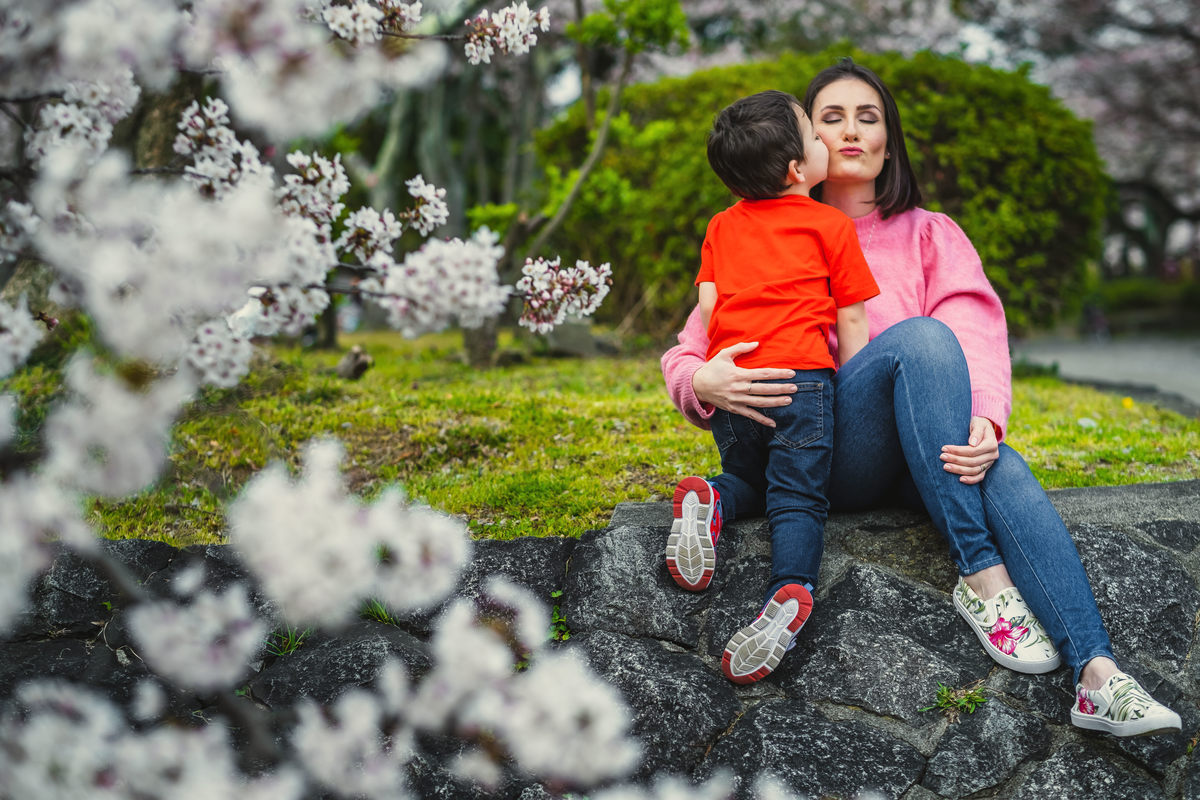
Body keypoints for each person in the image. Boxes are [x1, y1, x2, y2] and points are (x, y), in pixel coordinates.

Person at [661, 58, 1181, 736]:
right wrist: (700, 381)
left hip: (922, 452)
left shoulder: (931, 234)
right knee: (921, 340)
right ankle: (981, 575)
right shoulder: (760, 231)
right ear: (799, 148)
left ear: (889, 143)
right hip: (825, 447)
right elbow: (691, 345)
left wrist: (985, 419)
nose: (851, 131)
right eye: (831, 118)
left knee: (999, 464)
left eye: (868, 117)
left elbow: (978, 333)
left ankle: (1098, 677)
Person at [666, 90, 879, 685]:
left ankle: (711, 499)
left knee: (750, 478)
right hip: (802, 383)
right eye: (815, 133)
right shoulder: (830, 224)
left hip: (736, 382)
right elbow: (852, 319)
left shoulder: (720, 225)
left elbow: (710, 306)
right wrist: (850, 390)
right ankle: (789, 589)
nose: (826, 140)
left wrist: (726, 357)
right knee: (798, 497)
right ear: (795, 169)